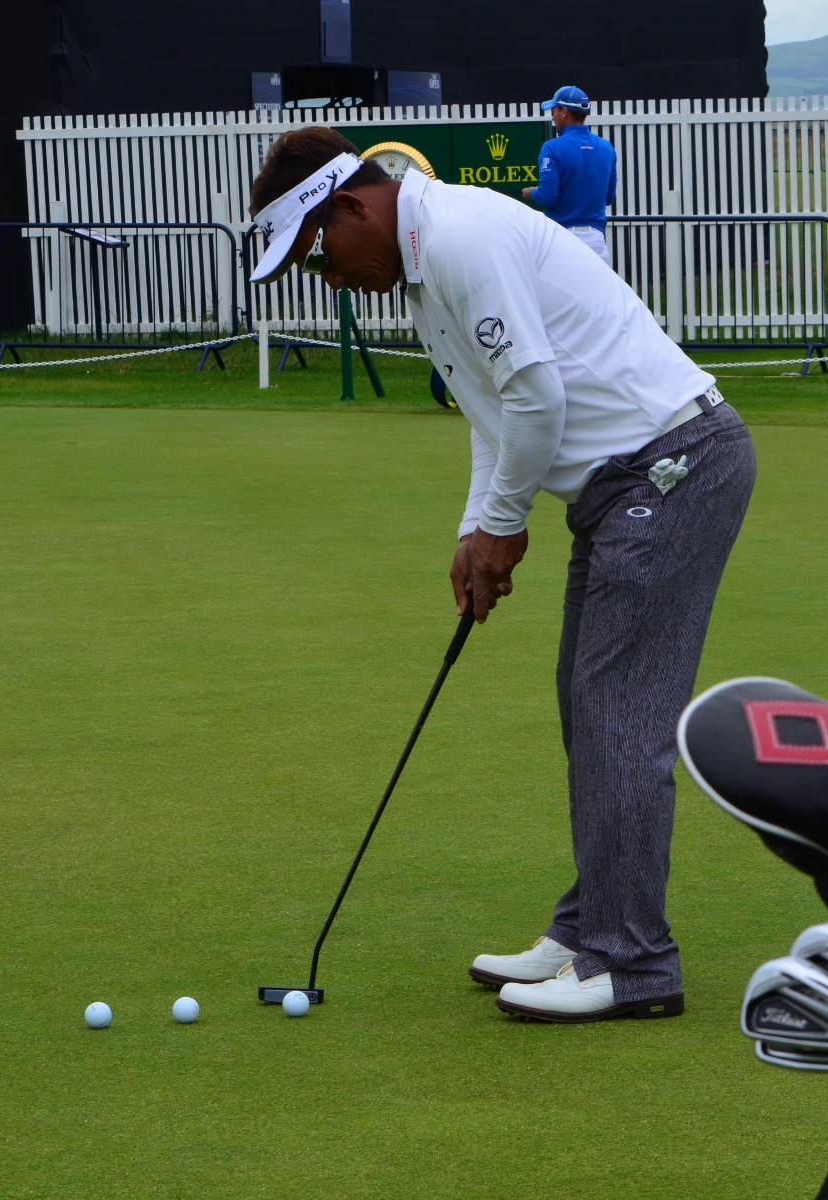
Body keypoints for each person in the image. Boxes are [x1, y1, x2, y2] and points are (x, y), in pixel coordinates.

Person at [246, 127, 756, 1022]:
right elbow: (495, 411)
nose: (329, 283)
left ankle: (633, 964)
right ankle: (591, 929)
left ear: (355, 206)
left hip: (673, 467)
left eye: (320, 256)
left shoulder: (457, 239)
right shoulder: (421, 266)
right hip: (623, 487)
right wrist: (474, 529)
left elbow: (539, 397)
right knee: (586, 701)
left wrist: (506, 526)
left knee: (617, 715)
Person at [520, 85, 618, 265]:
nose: (552, 115)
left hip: (562, 238)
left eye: (554, 110)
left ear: (564, 112)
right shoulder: (606, 148)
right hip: (597, 240)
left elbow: (547, 197)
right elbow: (609, 197)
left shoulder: (552, 148)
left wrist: (530, 192)